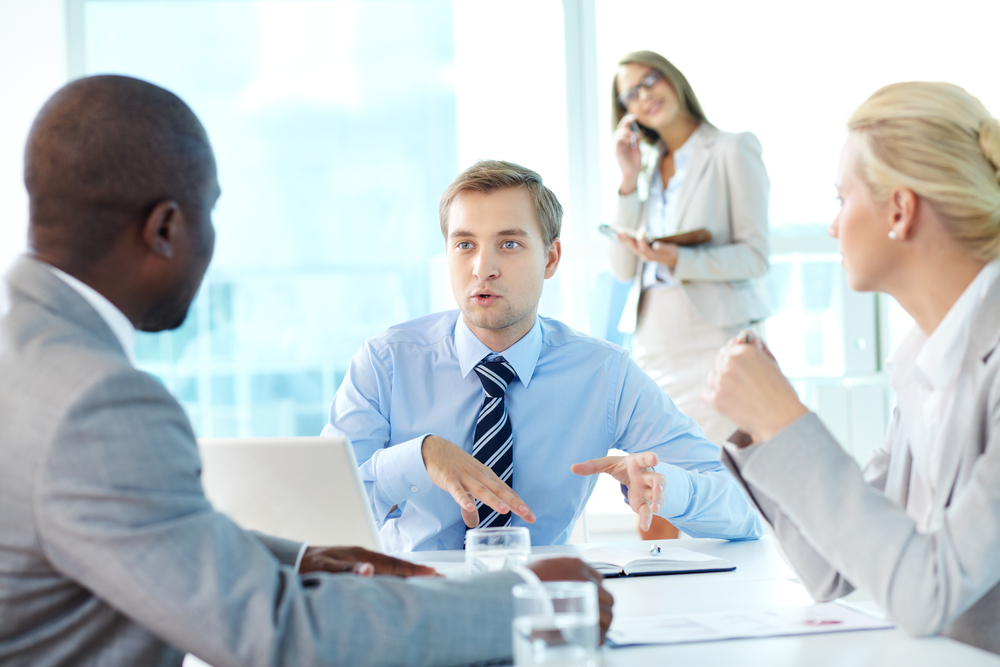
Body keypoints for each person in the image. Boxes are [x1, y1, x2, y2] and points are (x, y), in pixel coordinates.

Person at [0, 75, 612, 667]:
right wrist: (529, 600)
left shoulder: (28, 359)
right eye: (210, 214)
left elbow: (143, 533)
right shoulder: (96, 401)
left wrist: (299, 561)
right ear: (165, 228)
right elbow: (279, 636)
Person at [323, 159, 762, 552]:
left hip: (542, 601)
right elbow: (318, 517)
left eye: (509, 244)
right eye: (465, 245)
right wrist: (417, 458)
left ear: (551, 258)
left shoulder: (604, 375)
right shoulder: (386, 364)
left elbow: (746, 510)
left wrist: (671, 490)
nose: (483, 268)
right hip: (409, 602)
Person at [702, 81, 1000, 655]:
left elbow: (928, 592)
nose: (834, 226)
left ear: (900, 208)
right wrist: (766, 428)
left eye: (841, 199)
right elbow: (836, 570)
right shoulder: (926, 364)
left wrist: (788, 423)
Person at [607, 50, 770, 448]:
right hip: (655, 343)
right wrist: (628, 180)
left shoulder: (732, 149)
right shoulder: (644, 170)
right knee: (663, 472)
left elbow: (755, 256)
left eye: (650, 80)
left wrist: (679, 259)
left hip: (716, 336)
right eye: (630, 95)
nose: (644, 96)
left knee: (722, 470)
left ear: (673, 78)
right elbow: (622, 268)